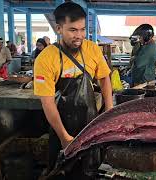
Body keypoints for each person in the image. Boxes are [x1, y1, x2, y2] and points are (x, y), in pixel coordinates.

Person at [33, 2, 113, 178]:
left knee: (90, 171)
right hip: (61, 125)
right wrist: (63, 136)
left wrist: (109, 111)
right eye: (73, 30)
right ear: (59, 28)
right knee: (63, 172)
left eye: (82, 29)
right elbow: (47, 101)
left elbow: (105, 78)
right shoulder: (46, 58)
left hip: (90, 124)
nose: (79, 36)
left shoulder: (92, 49)